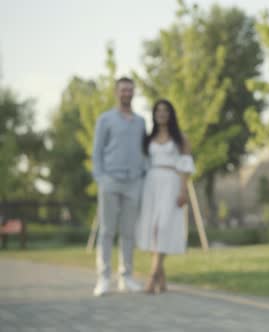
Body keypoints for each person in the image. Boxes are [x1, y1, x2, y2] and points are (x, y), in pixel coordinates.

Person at [92, 77, 146, 296]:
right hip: (110, 181)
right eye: (123, 90)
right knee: (106, 231)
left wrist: (144, 173)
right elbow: (96, 152)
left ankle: (126, 277)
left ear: (134, 93)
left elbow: (144, 150)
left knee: (128, 232)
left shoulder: (141, 121)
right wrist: (101, 178)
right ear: (116, 92)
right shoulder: (105, 119)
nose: (127, 93)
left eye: (130, 90)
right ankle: (103, 278)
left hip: (133, 183)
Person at [135, 99, 195, 294]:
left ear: (171, 114)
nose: (161, 114)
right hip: (151, 183)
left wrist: (183, 190)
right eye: (158, 111)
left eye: (165, 110)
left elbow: (186, 166)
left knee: (163, 227)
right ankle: (162, 276)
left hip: (171, 182)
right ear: (154, 114)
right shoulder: (148, 138)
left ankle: (152, 275)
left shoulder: (181, 138)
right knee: (152, 229)